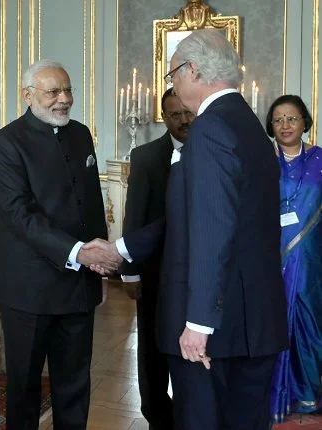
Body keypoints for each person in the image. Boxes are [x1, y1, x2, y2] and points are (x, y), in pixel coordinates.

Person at [86, 30, 289, 429]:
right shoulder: (249, 127)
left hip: (217, 328)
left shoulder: (211, 129)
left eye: (173, 75)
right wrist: (123, 249)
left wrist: (198, 324)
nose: (173, 84)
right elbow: (202, 216)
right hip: (253, 321)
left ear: (192, 70)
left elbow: (213, 231)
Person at [0, 59, 122, 429]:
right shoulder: (6, 142)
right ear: (28, 95)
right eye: (53, 92)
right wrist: (79, 253)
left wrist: (100, 270)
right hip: (28, 288)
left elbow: (92, 207)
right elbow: (19, 214)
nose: (64, 99)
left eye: (68, 90)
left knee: (75, 384)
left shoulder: (81, 135)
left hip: (79, 284)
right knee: (25, 387)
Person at [121, 88, 194, 430]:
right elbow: (134, 216)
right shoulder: (147, 156)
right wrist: (130, 273)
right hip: (155, 272)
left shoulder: (214, 151)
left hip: (200, 274)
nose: (184, 120)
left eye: (187, 112)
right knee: (151, 348)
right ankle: (156, 416)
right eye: (175, 115)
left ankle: (190, 412)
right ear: (164, 118)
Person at [265, 95, 322, 422]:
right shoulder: (263, 163)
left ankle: (308, 395)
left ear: (305, 123)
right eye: (278, 120)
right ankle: (276, 394)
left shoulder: (320, 160)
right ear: (271, 127)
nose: (285, 125)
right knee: (275, 324)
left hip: (313, 265)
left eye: (292, 119)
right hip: (273, 263)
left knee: (310, 325)